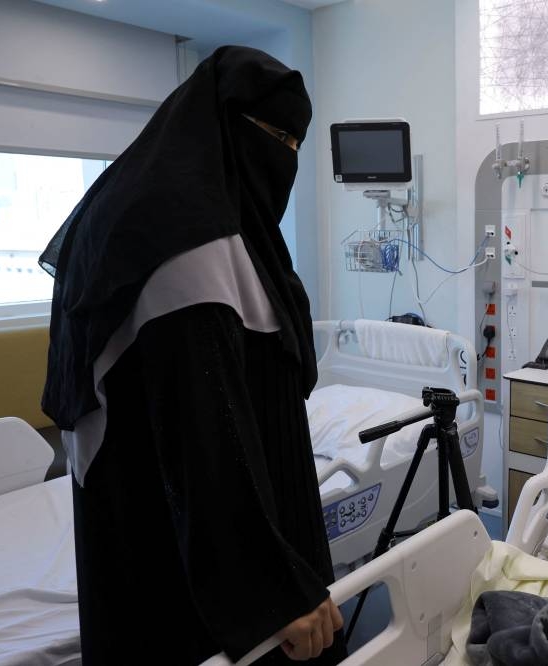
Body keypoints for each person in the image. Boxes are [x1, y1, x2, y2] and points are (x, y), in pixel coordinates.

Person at [39, 47, 345, 664]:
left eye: (295, 143)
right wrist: (278, 592)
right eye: (274, 136)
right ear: (222, 123)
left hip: (197, 512)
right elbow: (206, 445)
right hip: (176, 551)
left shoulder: (177, 216)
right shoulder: (182, 245)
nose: (283, 156)